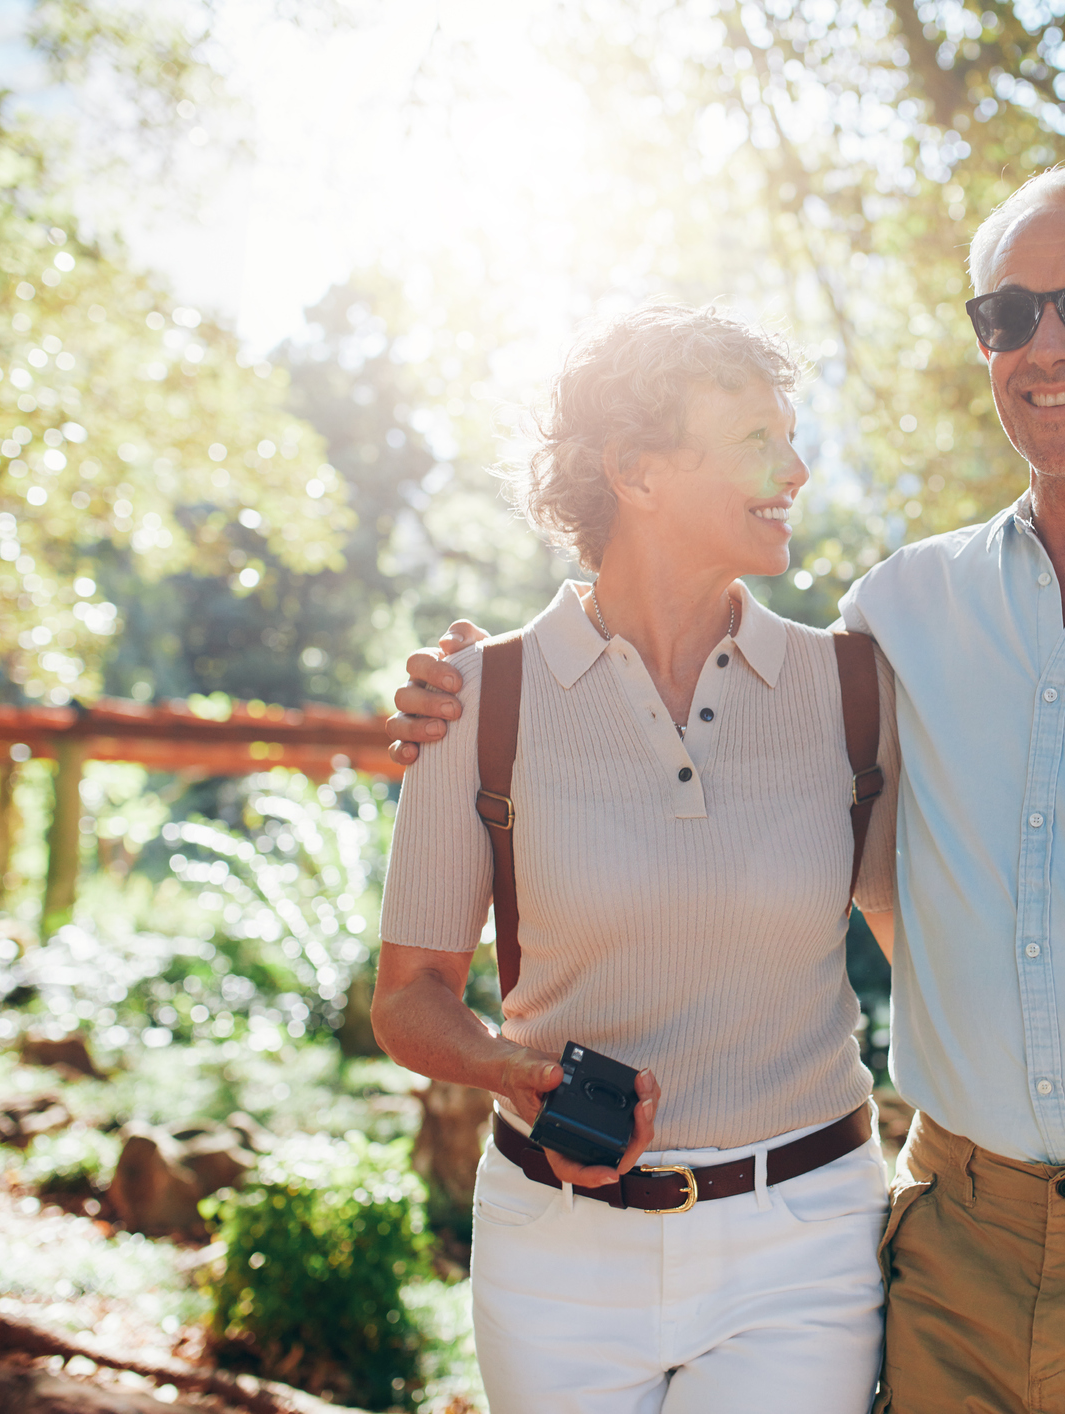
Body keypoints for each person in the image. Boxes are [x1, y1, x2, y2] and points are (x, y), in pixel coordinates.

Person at [389, 168, 1065, 1413]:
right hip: (956, 1242)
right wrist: (475, 691)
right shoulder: (897, 617)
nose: (1043, 344)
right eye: (1008, 316)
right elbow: (690, 698)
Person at [368, 305, 902, 1414]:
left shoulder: (853, 693)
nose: (796, 469)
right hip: (554, 1253)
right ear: (641, 471)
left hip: (804, 1241)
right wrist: (521, 1073)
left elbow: (935, 950)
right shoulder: (477, 702)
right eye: (759, 438)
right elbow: (410, 1001)